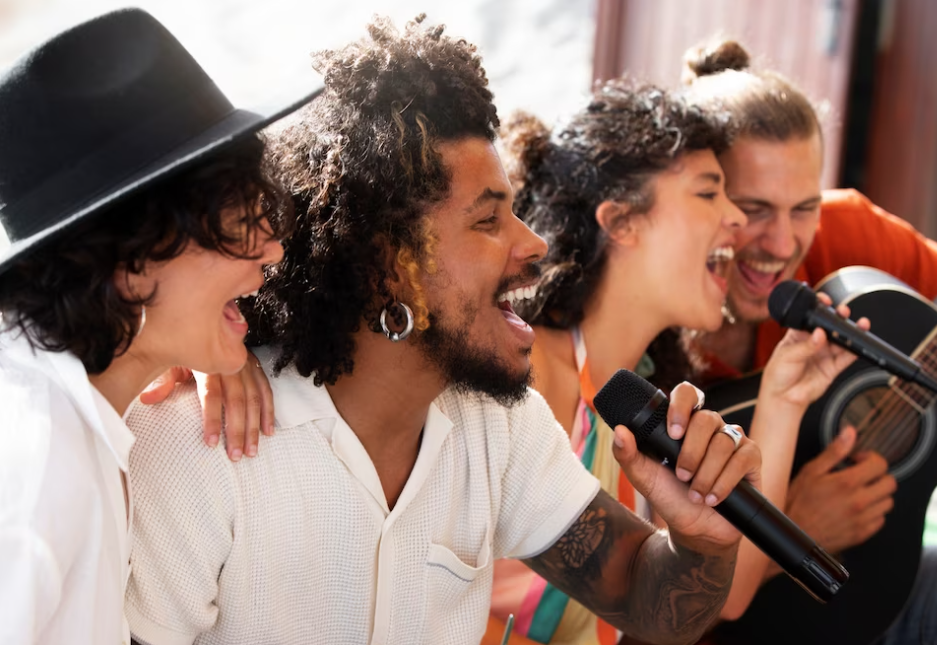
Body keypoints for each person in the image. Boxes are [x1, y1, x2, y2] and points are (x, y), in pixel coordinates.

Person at [123, 17, 761, 645]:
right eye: (488, 222)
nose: (532, 244)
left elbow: (650, 601)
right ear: (385, 266)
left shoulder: (497, 426)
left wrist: (700, 540)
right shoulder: (198, 443)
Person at [479, 83, 860, 645]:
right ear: (622, 222)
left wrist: (784, 397)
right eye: (711, 194)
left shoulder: (645, 405)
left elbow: (724, 597)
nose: (736, 218)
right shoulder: (531, 383)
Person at [0, 9, 317, 645]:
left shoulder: (74, 418)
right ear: (132, 259)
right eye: (241, 218)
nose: (273, 249)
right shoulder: (36, 460)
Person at [681, 38, 937, 643]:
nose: (784, 244)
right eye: (755, 207)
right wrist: (794, 527)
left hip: (885, 581)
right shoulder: (655, 338)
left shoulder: (847, 233)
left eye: (804, 207)